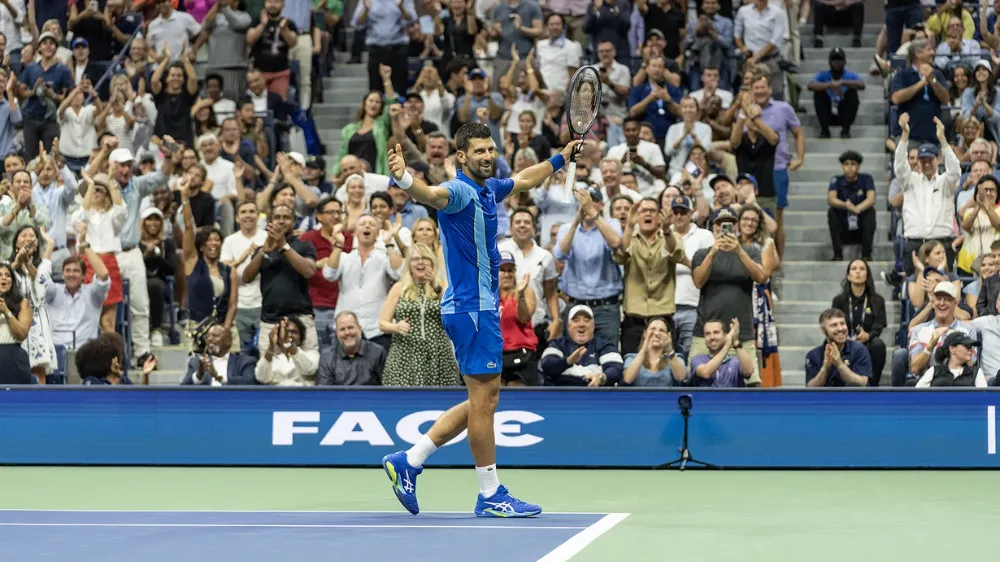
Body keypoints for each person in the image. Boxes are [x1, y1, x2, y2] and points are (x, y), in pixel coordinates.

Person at [380, 122, 581, 518]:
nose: (488, 156)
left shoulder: (490, 189)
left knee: (482, 400)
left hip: (479, 308)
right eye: (479, 151)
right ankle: (489, 493)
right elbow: (430, 194)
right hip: (471, 309)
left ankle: (410, 461)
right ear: (461, 157)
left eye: (491, 150)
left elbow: (524, 178)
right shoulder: (458, 191)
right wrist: (404, 177)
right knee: (484, 404)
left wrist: (561, 157)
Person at [378, 243, 460, 387]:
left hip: (438, 356)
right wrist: (396, 327)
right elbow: (382, 323)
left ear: (432, 262)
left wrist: (435, 285)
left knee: (443, 404)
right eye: (415, 259)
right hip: (405, 356)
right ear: (409, 264)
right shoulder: (399, 288)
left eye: (425, 258)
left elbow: (453, 314)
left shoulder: (442, 286)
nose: (420, 262)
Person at [831, 260, 888, 386]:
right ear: (848, 275)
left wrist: (867, 336)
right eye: (854, 269)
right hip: (844, 341)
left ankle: (872, 385)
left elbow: (879, 325)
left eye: (862, 269)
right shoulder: (839, 300)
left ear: (867, 275)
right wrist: (843, 337)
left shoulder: (877, 300)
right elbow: (832, 323)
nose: (858, 272)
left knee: (878, 345)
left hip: (868, 341)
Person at [497, 250, 539, 386]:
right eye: (502, 270)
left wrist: (520, 295)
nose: (507, 274)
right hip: (497, 353)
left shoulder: (526, 291)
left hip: (522, 353)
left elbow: (524, 318)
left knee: (516, 390)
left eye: (510, 270)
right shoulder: (488, 295)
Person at [827, 150, 877, 261]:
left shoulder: (866, 179)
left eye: (853, 164)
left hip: (861, 226)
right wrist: (846, 205)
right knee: (832, 211)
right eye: (846, 164)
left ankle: (866, 255)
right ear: (842, 166)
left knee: (870, 212)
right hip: (844, 225)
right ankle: (838, 254)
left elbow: (871, 198)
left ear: (858, 166)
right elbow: (831, 198)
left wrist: (857, 208)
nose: (849, 167)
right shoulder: (836, 180)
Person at [804, 308, 872, 387]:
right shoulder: (813, 355)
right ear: (823, 330)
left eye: (842, 323)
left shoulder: (859, 350)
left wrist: (840, 365)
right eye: (834, 325)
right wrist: (825, 368)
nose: (840, 329)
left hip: (851, 398)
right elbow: (811, 388)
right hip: (825, 398)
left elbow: (862, 383)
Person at [317, 311, 386, 386]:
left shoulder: (378, 352)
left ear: (359, 329)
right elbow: (326, 393)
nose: (347, 332)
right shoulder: (327, 357)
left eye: (350, 327)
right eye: (342, 329)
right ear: (337, 334)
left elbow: (386, 388)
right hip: (340, 397)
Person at [181, 324, 258, 385]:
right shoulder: (195, 362)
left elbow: (249, 382)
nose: (210, 339)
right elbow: (183, 388)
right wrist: (199, 375)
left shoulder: (245, 362)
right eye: (207, 337)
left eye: (215, 335)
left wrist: (219, 378)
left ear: (228, 341)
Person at [689, 318, 755, 387]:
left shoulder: (736, 361)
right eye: (707, 334)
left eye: (716, 332)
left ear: (725, 335)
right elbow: (706, 373)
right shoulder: (697, 360)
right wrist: (726, 346)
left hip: (732, 397)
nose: (712, 337)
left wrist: (735, 341)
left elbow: (748, 371)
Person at [255, 316, 319, 385]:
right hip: (276, 394)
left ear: (301, 337)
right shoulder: (271, 359)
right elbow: (261, 378)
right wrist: (271, 347)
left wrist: (294, 349)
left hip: (302, 394)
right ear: (279, 338)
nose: (290, 335)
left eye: (294, 332)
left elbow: (309, 370)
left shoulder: (311, 354)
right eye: (286, 332)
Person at [622, 317, 686, 386]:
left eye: (662, 330)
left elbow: (681, 377)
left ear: (668, 336)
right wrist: (644, 349)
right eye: (653, 329)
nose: (656, 333)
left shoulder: (675, 357)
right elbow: (628, 379)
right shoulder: (631, 358)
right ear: (645, 333)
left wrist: (669, 350)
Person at [916, 330, 985, 387]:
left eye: (972, 347)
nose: (971, 349)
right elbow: (916, 396)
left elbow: (985, 398)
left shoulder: (975, 372)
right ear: (952, 349)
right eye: (967, 346)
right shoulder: (935, 371)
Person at [0, 261, 31, 384]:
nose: (3, 278)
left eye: (7, 275)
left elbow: (22, 334)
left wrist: (6, 312)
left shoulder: (22, 302)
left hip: (13, 358)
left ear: (12, 280)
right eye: (0, 275)